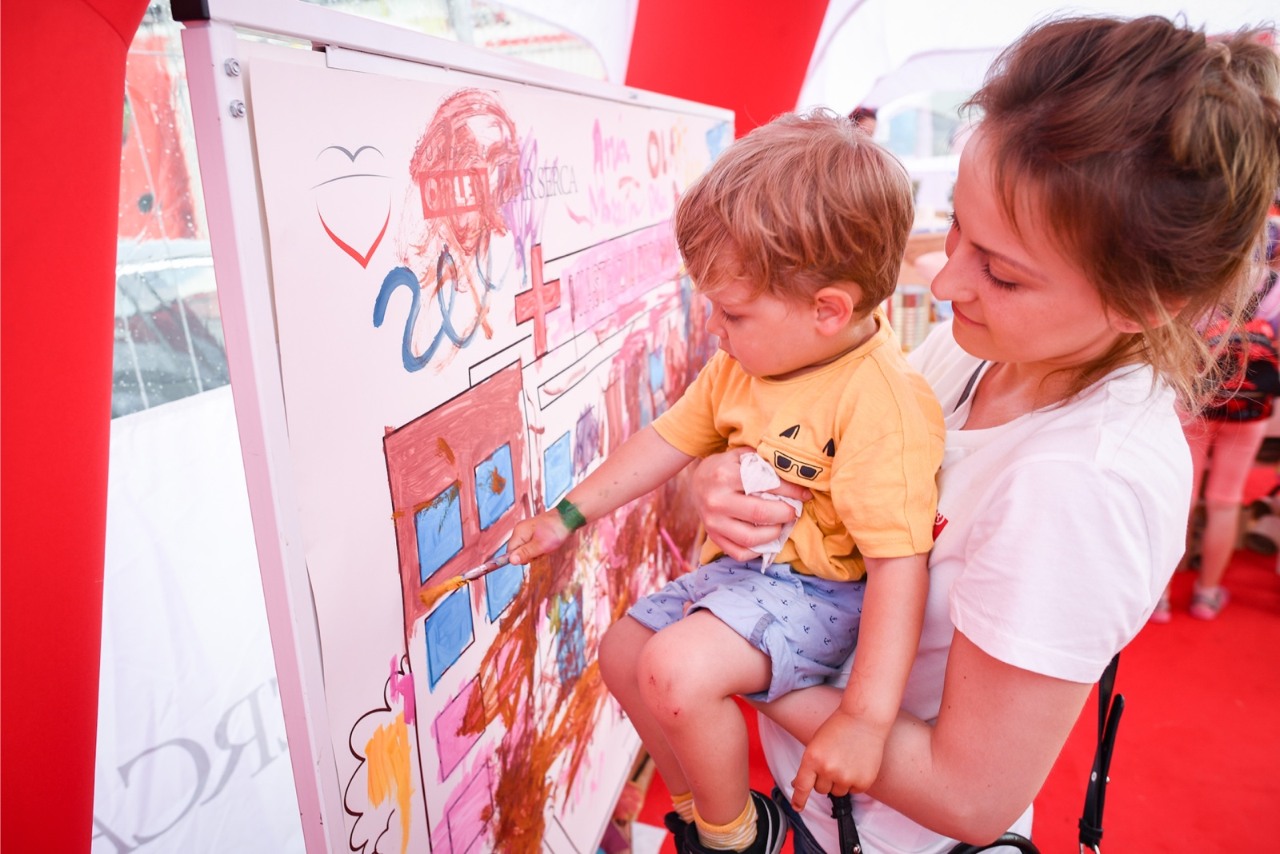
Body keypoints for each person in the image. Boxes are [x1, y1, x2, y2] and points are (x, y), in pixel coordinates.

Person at [686, 15, 1280, 852]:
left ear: (1149, 304)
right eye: (955, 223)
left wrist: (733, 663)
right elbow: (829, 451)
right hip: (818, 801)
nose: (948, 275)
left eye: (1002, 271)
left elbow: (969, 794)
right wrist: (728, 474)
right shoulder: (969, 348)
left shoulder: (1081, 484)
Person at [504, 109, 945, 854]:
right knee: (621, 653)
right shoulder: (746, 360)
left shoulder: (881, 402)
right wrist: (565, 516)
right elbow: (665, 440)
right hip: (747, 578)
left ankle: (735, 839)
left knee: (673, 667)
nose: (714, 328)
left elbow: (898, 570)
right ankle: (696, 810)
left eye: (732, 311)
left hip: (825, 594)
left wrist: (866, 721)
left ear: (828, 310)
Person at [1154, 217, 1280, 622]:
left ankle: (1160, 598)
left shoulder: (1200, 279)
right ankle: (1207, 596)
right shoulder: (1276, 291)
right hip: (1250, 410)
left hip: (1195, 401)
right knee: (1225, 501)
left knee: (1182, 498)